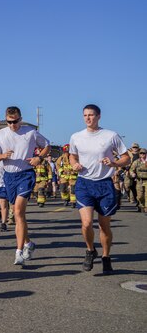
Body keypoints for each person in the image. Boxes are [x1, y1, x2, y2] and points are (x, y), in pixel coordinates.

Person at [69, 104, 130, 273]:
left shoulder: (111, 136)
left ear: (99, 116)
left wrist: (114, 163)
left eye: (91, 115)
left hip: (104, 184)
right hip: (84, 183)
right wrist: (74, 164)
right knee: (87, 223)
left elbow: (126, 158)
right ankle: (90, 250)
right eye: (85, 115)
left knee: (104, 226)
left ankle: (106, 256)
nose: (88, 118)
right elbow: (72, 155)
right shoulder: (76, 137)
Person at [0, 106, 50, 266]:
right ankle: (28, 243)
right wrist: (3, 155)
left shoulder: (30, 132)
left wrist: (39, 158)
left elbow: (47, 145)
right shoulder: (1, 134)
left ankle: (18, 252)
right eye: (9, 122)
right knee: (19, 216)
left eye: (15, 121)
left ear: (20, 118)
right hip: (9, 176)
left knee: (18, 211)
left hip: (26, 174)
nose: (13, 125)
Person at [128, 148, 147, 213]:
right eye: (141, 153)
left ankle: (145, 207)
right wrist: (132, 173)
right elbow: (131, 169)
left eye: (144, 153)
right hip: (139, 181)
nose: (142, 155)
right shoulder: (136, 162)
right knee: (140, 195)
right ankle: (141, 205)